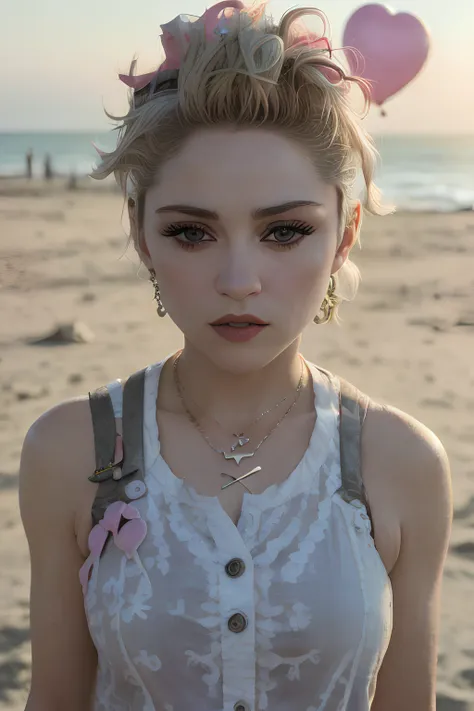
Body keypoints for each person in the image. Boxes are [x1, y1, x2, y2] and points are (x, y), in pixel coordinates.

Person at [19, 2, 452, 710]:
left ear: (344, 234)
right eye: (193, 232)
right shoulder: (69, 450)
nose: (238, 279)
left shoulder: (402, 462)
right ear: (141, 234)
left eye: (284, 231)